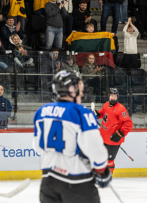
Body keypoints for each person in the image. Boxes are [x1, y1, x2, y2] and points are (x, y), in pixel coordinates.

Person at [33, 70, 111, 203]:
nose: (82, 87)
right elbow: (97, 151)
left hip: (48, 183)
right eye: (79, 84)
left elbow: (38, 148)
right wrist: (102, 171)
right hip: (77, 183)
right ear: (71, 88)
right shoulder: (82, 113)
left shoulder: (42, 112)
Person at [93, 88, 133, 174]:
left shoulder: (121, 109)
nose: (113, 98)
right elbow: (103, 113)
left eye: (115, 96)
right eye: (112, 96)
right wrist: (97, 113)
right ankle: (100, 174)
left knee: (109, 160)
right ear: (109, 96)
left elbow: (129, 124)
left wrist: (120, 133)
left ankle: (108, 177)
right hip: (103, 137)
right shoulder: (106, 105)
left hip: (113, 139)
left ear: (117, 97)